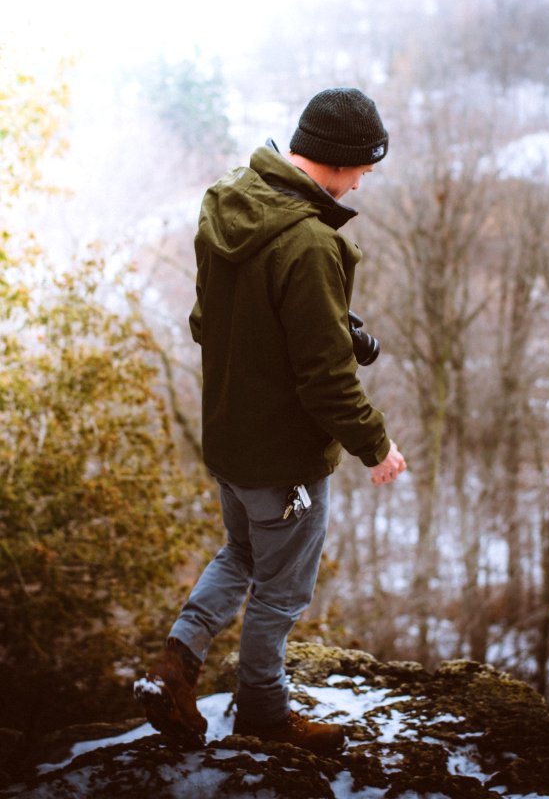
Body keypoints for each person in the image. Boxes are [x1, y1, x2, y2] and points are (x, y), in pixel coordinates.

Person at [134, 87, 406, 756]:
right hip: (283, 458)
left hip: (230, 437)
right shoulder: (309, 243)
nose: (366, 178)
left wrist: (326, 321)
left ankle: (174, 665)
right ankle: (263, 711)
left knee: (241, 554)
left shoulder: (231, 199)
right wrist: (376, 446)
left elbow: (212, 320)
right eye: (365, 165)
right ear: (341, 160)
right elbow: (323, 380)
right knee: (281, 593)